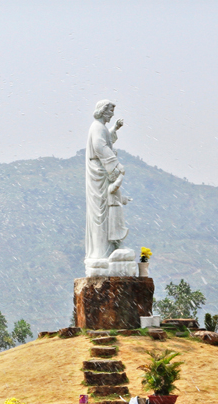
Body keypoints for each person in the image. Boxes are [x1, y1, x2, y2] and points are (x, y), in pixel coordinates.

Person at [84, 99, 129, 274]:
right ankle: (101, 253)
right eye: (110, 111)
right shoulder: (96, 127)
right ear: (103, 111)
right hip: (99, 174)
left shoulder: (100, 128)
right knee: (100, 214)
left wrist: (115, 129)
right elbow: (100, 146)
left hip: (102, 172)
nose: (112, 114)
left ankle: (107, 251)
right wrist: (116, 165)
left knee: (105, 214)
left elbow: (105, 141)